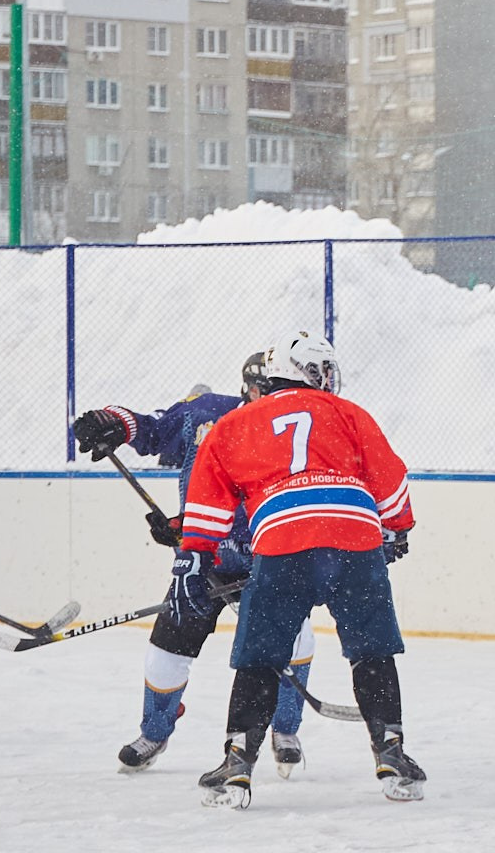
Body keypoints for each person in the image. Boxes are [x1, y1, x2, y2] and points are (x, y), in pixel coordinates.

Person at [173, 332, 419, 810]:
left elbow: (208, 493)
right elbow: (389, 478)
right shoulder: (349, 413)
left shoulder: (237, 422)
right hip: (354, 538)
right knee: (372, 650)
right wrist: (397, 528)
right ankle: (391, 752)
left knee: (260, 657)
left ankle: (237, 763)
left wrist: (196, 553)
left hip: (283, 543)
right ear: (309, 371)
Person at [71, 352, 316, 776]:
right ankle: (155, 731)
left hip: (266, 559)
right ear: (251, 389)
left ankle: (285, 729)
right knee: (164, 654)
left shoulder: (300, 434)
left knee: (298, 640)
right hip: (202, 558)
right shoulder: (205, 416)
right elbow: (149, 430)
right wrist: (109, 421)